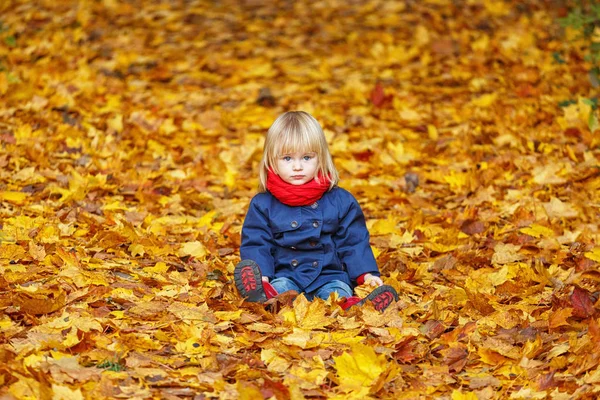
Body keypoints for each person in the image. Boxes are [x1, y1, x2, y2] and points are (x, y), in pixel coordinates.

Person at [234, 111, 398, 312]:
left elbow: (353, 242)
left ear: (320, 158)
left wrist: (367, 275)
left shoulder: (340, 201)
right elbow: (257, 242)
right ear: (271, 160)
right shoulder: (263, 204)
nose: (297, 166)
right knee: (280, 293)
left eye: (306, 157)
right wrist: (263, 275)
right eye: (287, 158)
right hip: (286, 274)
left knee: (337, 294)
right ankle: (263, 295)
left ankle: (355, 308)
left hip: (329, 275)